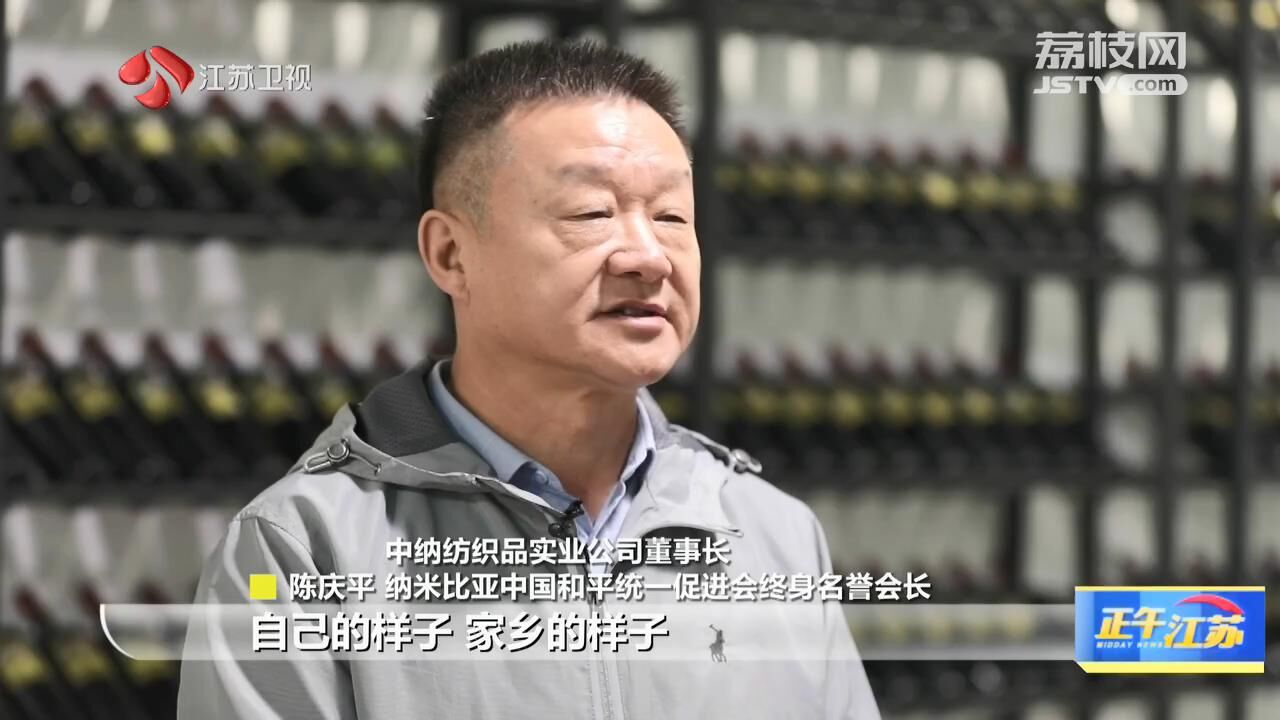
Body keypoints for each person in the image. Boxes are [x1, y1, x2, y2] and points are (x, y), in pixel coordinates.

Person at [177, 39, 881, 719]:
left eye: (672, 217)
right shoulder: (303, 549)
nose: (648, 256)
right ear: (451, 255)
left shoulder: (773, 532)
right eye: (592, 213)